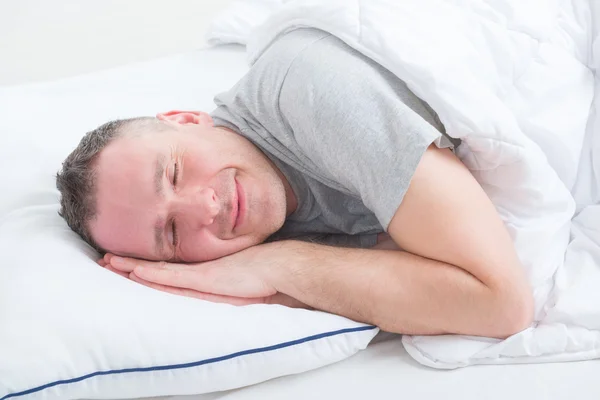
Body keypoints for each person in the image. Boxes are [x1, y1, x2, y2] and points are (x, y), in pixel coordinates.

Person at [56, 28, 533, 339]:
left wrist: (281, 266)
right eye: (173, 234)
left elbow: (500, 304)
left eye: (174, 172)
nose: (205, 208)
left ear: (186, 118)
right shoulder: (266, 224)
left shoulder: (309, 93)